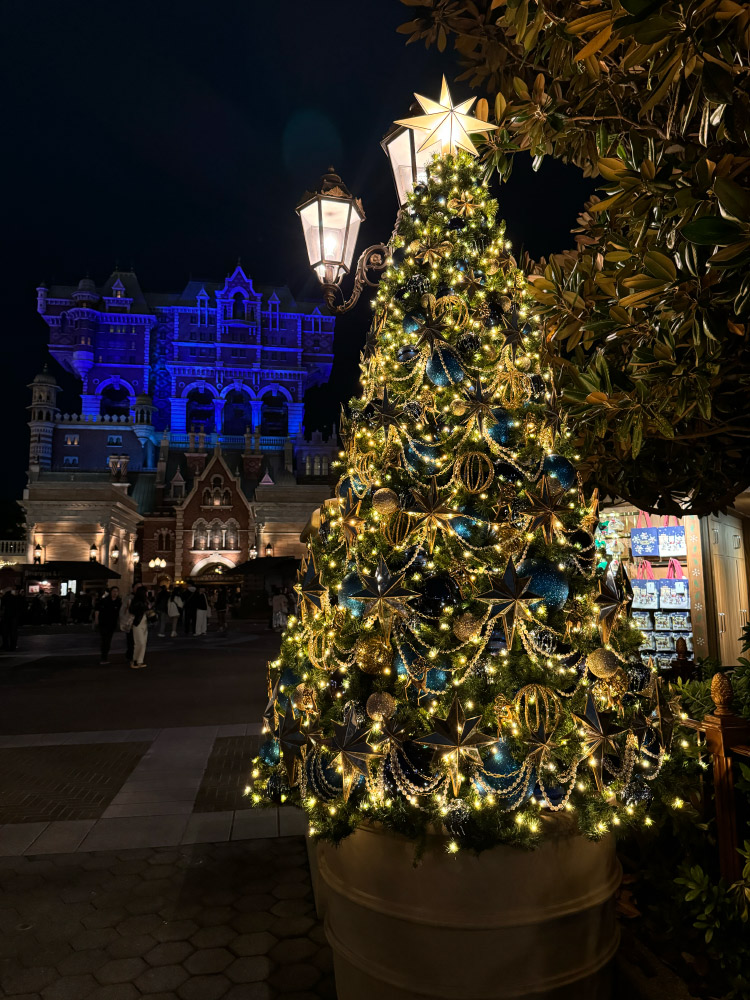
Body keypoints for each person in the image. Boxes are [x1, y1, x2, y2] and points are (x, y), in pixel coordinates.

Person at [95, 586, 121, 665]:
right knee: (105, 640)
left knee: (108, 640)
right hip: (104, 623)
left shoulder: (118, 602)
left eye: (116, 591)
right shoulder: (104, 600)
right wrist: (97, 620)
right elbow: (97, 610)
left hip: (112, 624)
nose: (115, 593)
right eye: (114, 591)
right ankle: (104, 657)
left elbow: (119, 613)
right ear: (111, 592)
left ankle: (104, 657)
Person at [128, 584, 150, 669]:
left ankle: (140, 660)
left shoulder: (146, 601)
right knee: (139, 642)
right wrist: (143, 608)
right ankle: (134, 660)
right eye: (146, 592)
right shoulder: (136, 601)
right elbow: (132, 610)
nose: (147, 593)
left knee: (143, 642)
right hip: (137, 623)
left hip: (144, 622)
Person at [1, 587, 24, 652]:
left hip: (6, 616)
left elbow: (2, 607)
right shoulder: (15, 598)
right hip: (14, 616)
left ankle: (6, 645)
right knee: (13, 632)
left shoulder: (4, 598)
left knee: (5, 632)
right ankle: (13, 646)